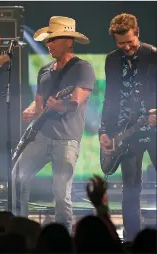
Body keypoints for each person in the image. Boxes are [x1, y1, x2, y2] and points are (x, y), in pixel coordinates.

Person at [11, 16, 95, 233]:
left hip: (66, 141)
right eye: (48, 40)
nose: (48, 44)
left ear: (69, 41)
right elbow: (40, 103)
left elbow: (76, 101)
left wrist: (60, 105)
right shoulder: (45, 71)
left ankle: (64, 237)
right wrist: (31, 110)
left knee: (61, 194)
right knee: (17, 177)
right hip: (40, 136)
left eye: (54, 39)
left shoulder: (83, 68)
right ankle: (21, 230)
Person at [99, 13, 156, 242]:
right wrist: (104, 130)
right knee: (130, 189)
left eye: (129, 42)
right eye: (120, 43)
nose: (126, 47)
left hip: (153, 130)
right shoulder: (111, 59)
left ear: (138, 33)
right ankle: (132, 239)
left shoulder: (153, 56)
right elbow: (110, 97)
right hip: (126, 134)